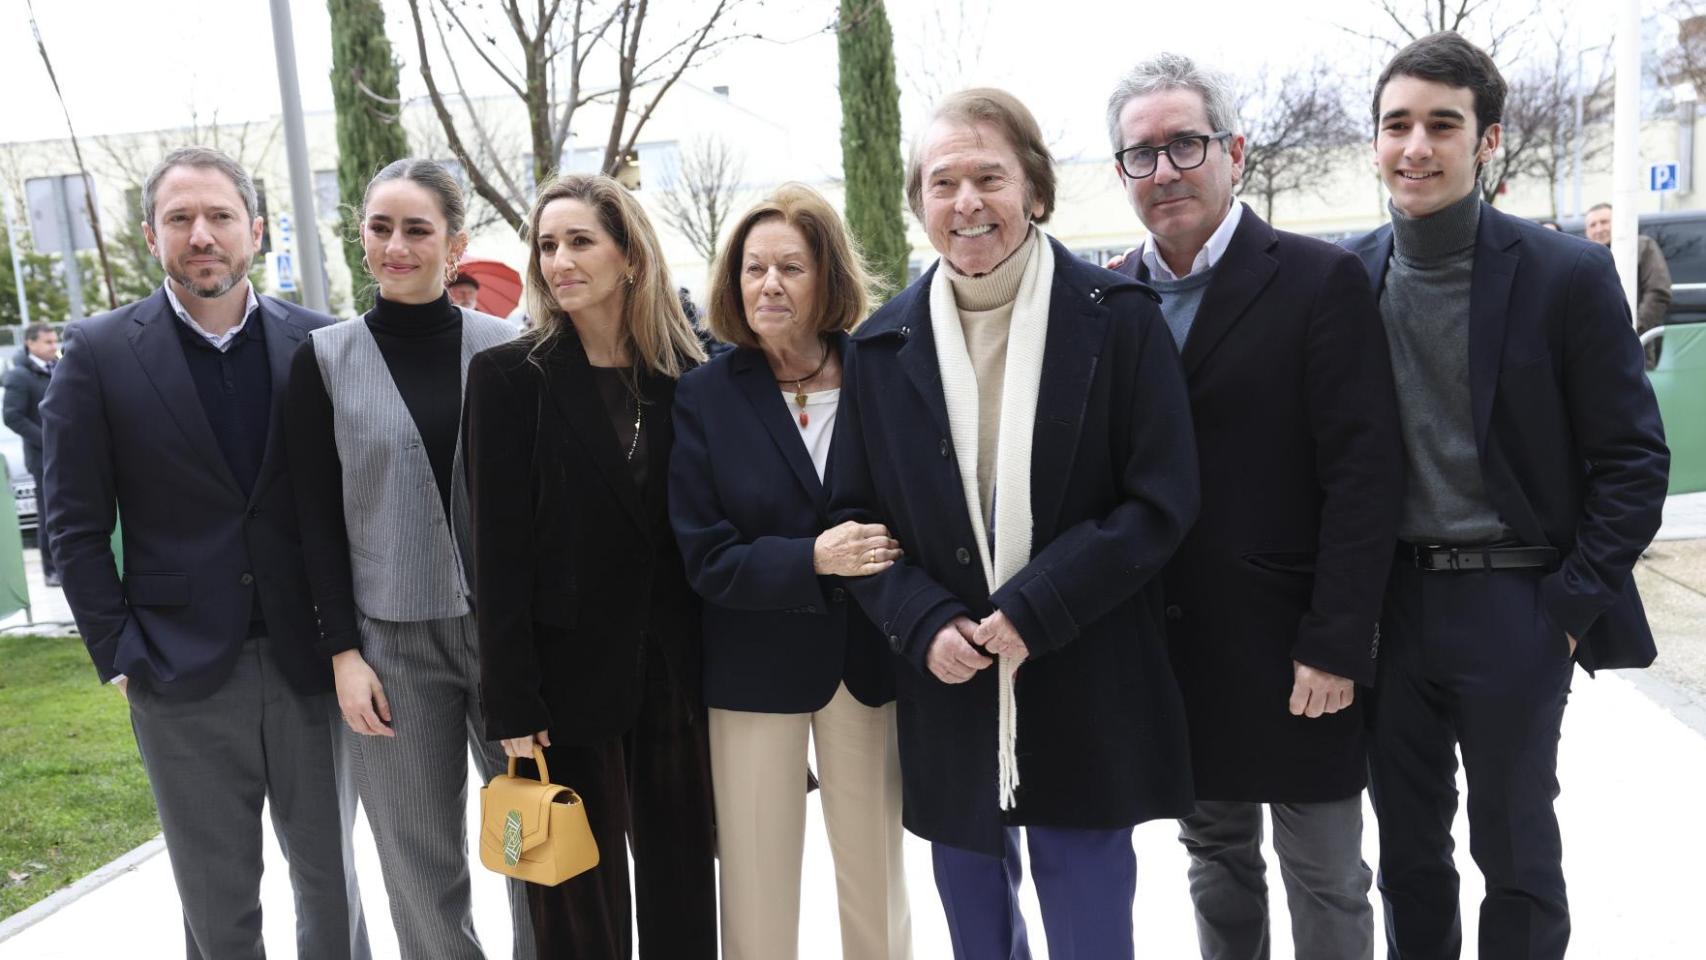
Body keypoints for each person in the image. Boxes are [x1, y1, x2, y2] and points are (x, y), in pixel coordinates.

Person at [829, 88, 1200, 960]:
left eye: (989, 178)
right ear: (919, 203)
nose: (966, 202)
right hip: (951, 686)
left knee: (1089, 931)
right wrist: (923, 621)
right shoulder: (880, 348)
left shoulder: (1120, 320)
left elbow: (1161, 501)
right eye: (943, 182)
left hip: (1085, 671)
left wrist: (1036, 609)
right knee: (978, 934)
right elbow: (853, 516)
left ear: (1034, 188)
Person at [1347, 33, 1669, 959]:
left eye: (1442, 125)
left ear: (1487, 140)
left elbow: (1633, 460)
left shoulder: (1566, 275)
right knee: (1408, 855)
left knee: (1517, 851)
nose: (1416, 146)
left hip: (1516, 600)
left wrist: (1565, 611)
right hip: (1390, 608)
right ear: (1376, 140)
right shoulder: (1347, 277)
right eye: (1397, 125)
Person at [1107, 54, 1405, 960]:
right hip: (1176, 649)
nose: (1165, 170)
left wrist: (1337, 641)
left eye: (1186, 145)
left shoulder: (1319, 280)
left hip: (1296, 650)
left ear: (1234, 152)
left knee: (1327, 873)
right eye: (1141, 154)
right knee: (1215, 861)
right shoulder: (1111, 299)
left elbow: (1364, 476)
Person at [40, 146, 370, 959]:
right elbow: (73, 523)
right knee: (218, 908)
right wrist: (120, 653)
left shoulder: (321, 342)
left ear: (255, 230)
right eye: (180, 218)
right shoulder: (99, 352)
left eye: (220, 216)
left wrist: (352, 639)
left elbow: (352, 501)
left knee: (333, 890)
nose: (201, 235)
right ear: (150, 234)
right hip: (177, 670)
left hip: (311, 661)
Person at [283, 158, 532, 959]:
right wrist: (343, 654)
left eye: (417, 229)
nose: (396, 246)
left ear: (455, 244)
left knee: (532, 842)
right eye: (380, 227)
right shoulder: (323, 361)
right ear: (361, 237)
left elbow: (540, 509)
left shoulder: (511, 350)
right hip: (390, 653)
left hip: (507, 643)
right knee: (419, 864)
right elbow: (314, 521)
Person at [464, 173, 715, 959]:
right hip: (562, 684)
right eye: (547, 245)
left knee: (683, 889)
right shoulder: (509, 379)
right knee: (576, 906)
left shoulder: (688, 376)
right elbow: (495, 554)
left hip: (675, 675)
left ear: (630, 255)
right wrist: (510, 699)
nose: (559, 261)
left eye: (580, 241)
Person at [669, 183, 912, 960]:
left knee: (876, 883)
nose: (768, 284)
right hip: (751, 669)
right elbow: (705, 554)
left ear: (827, 277)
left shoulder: (884, 375)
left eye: (791, 268)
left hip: (864, 663)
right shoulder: (705, 395)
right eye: (754, 268)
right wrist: (812, 558)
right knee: (756, 887)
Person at [4, 322, 61, 586]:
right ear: (30, 343)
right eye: (48, 342)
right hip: (42, 458)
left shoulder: (60, 368)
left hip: (69, 454)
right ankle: (51, 570)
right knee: (50, 514)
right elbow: (12, 417)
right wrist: (47, 440)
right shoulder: (19, 376)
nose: (53, 346)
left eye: (54, 341)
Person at [1585, 201, 1672, 367]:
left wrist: (1633, 328)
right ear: (1586, 231)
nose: (1599, 229)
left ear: (1619, 222)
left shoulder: (1641, 246)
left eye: (1604, 222)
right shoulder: (1582, 257)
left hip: (1635, 344)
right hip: (1594, 349)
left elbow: (1658, 291)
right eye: (1592, 225)